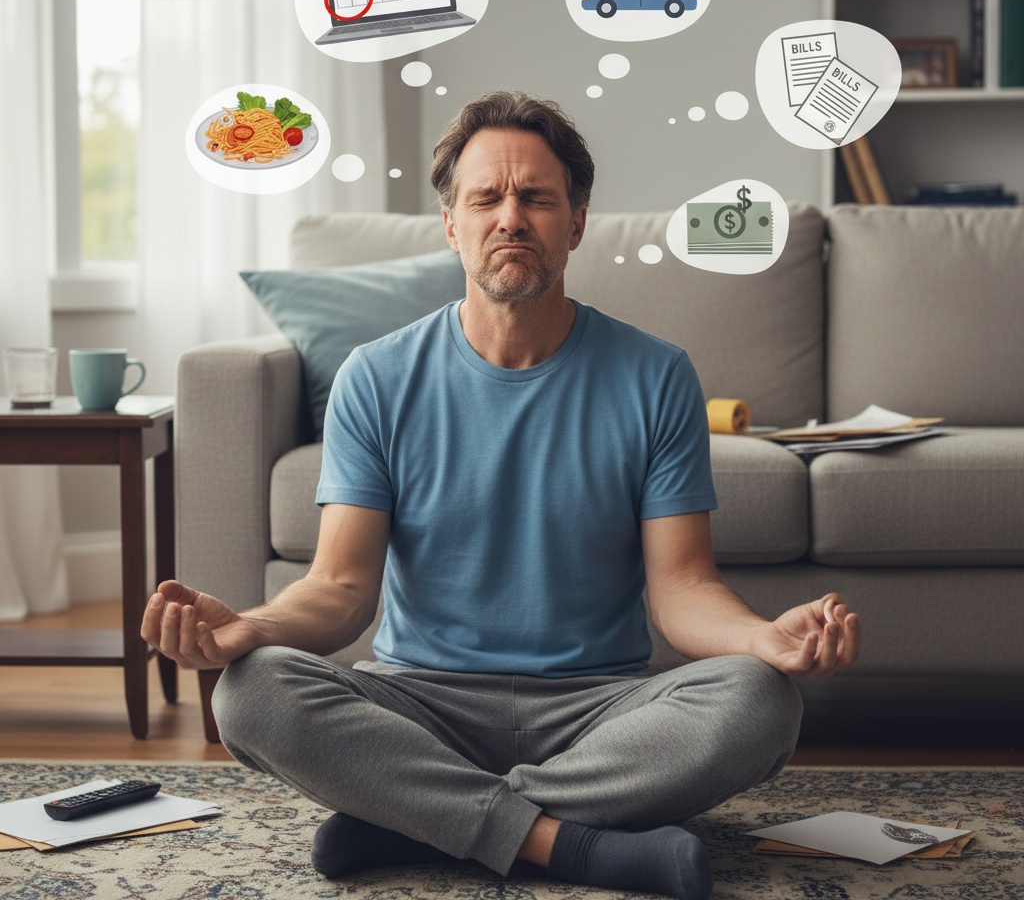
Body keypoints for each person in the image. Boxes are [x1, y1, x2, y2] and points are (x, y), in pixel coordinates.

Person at [142, 90, 860, 900]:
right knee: (253, 692)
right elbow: (341, 590)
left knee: (760, 701)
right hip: (421, 704)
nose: (510, 217)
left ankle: (409, 817)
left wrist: (764, 640)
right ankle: (569, 844)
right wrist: (250, 626)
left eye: (537, 198)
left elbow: (684, 590)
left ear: (577, 223)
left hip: (599, 709)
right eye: (485, 198)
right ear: (452, 225)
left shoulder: (657, 375)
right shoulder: (376, 378)